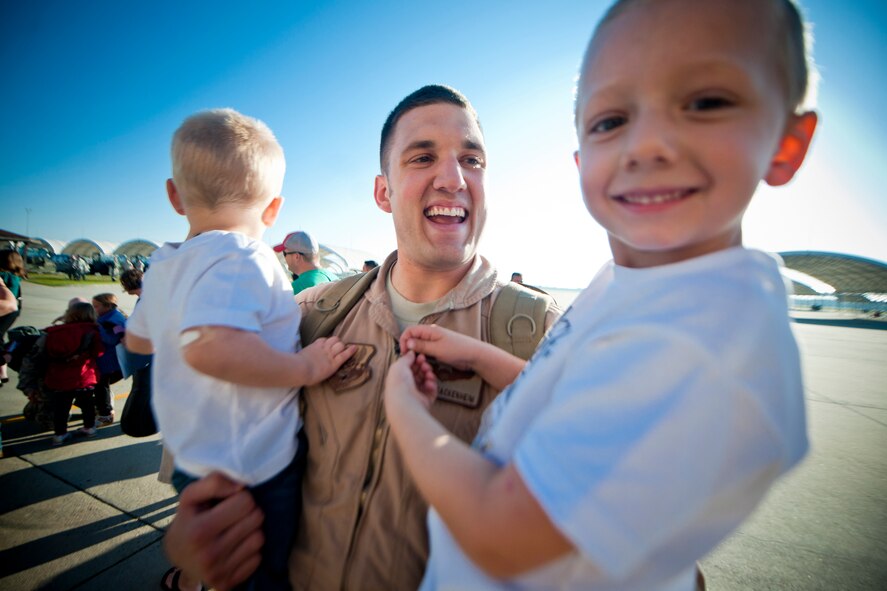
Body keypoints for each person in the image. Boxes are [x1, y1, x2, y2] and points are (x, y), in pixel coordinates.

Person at [383, 1, 818, 589]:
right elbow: (574, 389)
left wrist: (403, 407)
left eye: (706, 103)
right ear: (581, 160)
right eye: (612, 120)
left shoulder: (709, 339)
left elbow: (499, 533)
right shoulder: (635, 283)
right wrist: (479, 357)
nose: (648, 145)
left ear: (787, 144)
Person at [162, 85, 560, 591]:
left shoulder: (543, 333)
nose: (453, 178)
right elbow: (210, 415)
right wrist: (192, 544)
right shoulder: (307, 315)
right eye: (422, 157)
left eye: (472, 159)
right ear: (383, 192)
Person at [125, 108, 355, 591]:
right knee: (264, 574)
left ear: (174, 196)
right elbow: (211, 349)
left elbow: (138, 341)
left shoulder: (164, 266)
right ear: (273, 210)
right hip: (255, 465)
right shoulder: (243, 255)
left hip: (194, 459)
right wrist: (305, 367)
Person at [25, 302, 104, 446]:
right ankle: (89, 428)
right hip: (83, 376)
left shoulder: (53, 332)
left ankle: (60, 434)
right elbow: (99, 352)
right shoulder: (92, 330)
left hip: (59, 377)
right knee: (87, 404)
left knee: (61, 408)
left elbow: (43, 354)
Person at [92, 293, 126, 426]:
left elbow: (113, 339)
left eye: (96, 306)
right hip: (106, 359)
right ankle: (103, 408)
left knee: (101, 385)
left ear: (107, 306)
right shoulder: (107, 316)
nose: (94, 309)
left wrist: (97, 328)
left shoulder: (113, 320)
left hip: (110, 360)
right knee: (101, 386)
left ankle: (105, 414)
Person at [273, 231, 336, 295]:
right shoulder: (333, 278)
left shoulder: (297, 287)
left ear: (296, 257)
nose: (285, 258)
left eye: (284, 254)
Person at [0, 249, 26, 386]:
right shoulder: (15, 276)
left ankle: (6, 358)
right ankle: (2, 372)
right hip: (14, 310)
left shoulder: (5, 276)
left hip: (6, 309)